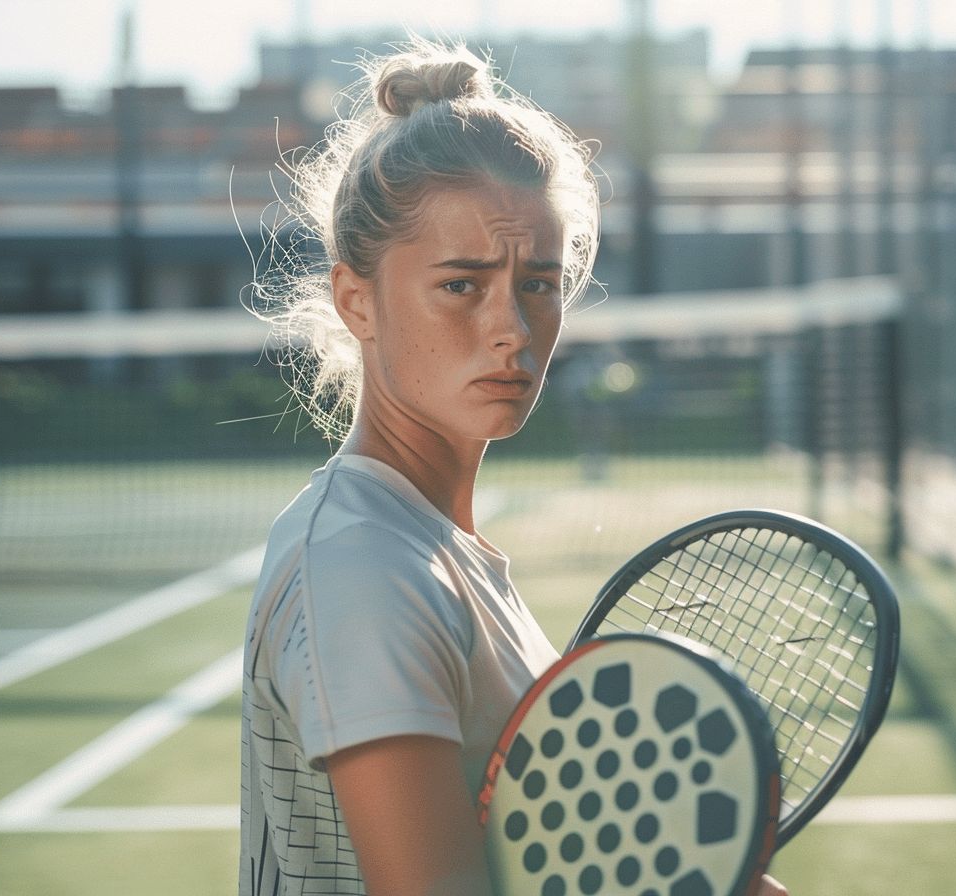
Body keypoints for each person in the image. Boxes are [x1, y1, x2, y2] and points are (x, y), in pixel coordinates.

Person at [239, 38, 790, 896]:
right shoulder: (360, 566)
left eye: (538, 283)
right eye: (462, 285)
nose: (513, 328)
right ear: (358, 301)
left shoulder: (437, 553)